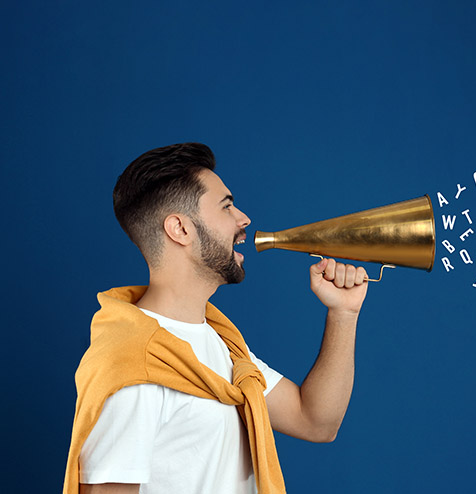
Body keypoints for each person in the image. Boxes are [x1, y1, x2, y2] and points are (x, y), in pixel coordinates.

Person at [63, 143, 368, 494]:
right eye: (226, 207)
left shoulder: (222, 343)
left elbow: (315, 421)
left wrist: (343, 313)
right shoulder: (132, 366)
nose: (244, 219)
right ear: (180, 229)